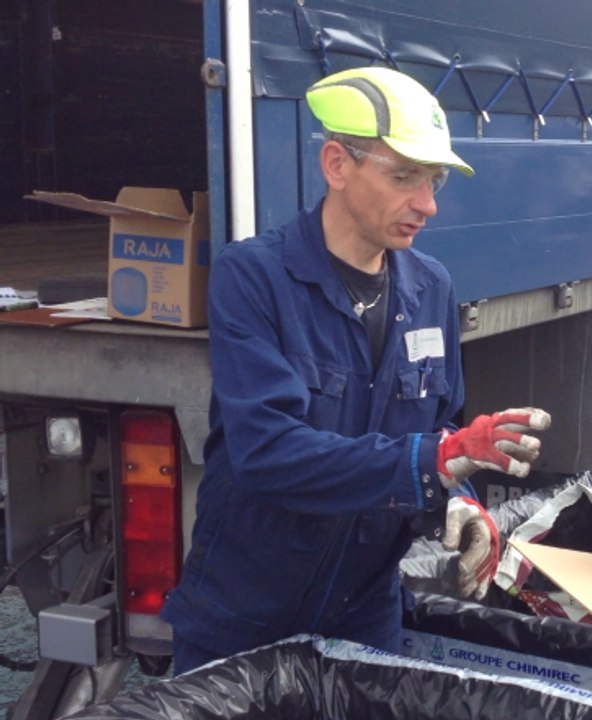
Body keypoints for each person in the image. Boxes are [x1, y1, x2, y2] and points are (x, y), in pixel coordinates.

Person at [160, 66, 550, 675]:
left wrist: (459, 500)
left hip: (364, 621)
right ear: (337, 165)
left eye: (434, 179)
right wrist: (432, 463)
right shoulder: (254, 278)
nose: (427, 204)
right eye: (403, 177)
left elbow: (441, 429)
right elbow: (267, 451)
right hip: (242, 627)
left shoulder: (430, 288)